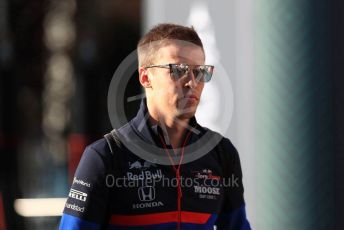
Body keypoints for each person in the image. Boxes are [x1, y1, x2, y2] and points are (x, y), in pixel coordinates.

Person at [59, 23, 251, 230]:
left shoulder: (221, 152)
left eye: (201, 71)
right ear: (145, 77)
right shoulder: (105, 156)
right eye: (179, 70)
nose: (192, 82)